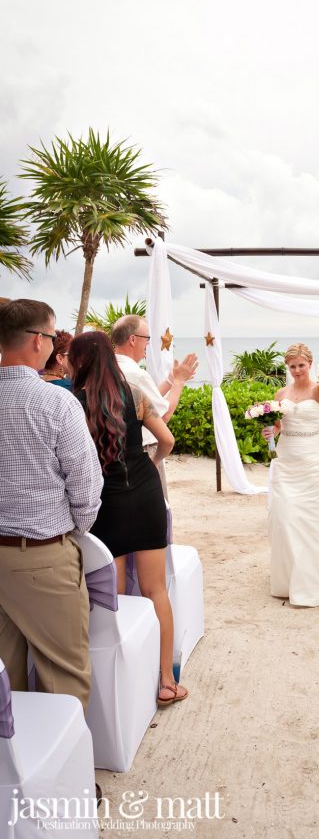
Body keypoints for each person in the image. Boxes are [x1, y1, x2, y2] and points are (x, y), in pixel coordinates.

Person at [68, 330, 188, 707]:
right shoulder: (133, 396)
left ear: (79, 361)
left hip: (106, 506)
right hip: (146, 496)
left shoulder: (72, 402)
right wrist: (149, 466)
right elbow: (166, 440)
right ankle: (167, 679)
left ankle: (124, 681)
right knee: (156, 591)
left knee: (113, 599)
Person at [0, 300, 103, 709]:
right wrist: (74, 532)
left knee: (5, 674)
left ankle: (17, 765)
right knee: (65, 673)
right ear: (38, 342)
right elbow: (86, 484)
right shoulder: (56, 402)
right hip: (41, 553)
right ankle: (67, 773)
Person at [263, 327, 319, 607]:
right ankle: (286, 581)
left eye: (301, 365)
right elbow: (278, 424)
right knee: (283, 518)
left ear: (309, 364)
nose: (297, 370)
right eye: (293, 366)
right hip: (285, 460)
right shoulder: (281, 391)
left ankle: (312, 584)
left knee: (308, 522)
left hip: (310, 461)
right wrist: (270, 432)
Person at [111, 315, 198, 497]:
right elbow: (162, 416)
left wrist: (169, 381)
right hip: (143, 450)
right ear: (133, 340)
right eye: (147, 338)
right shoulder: (136, 374)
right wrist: (180, 382)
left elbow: (143, 403)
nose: (149, 344)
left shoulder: (109, 368)